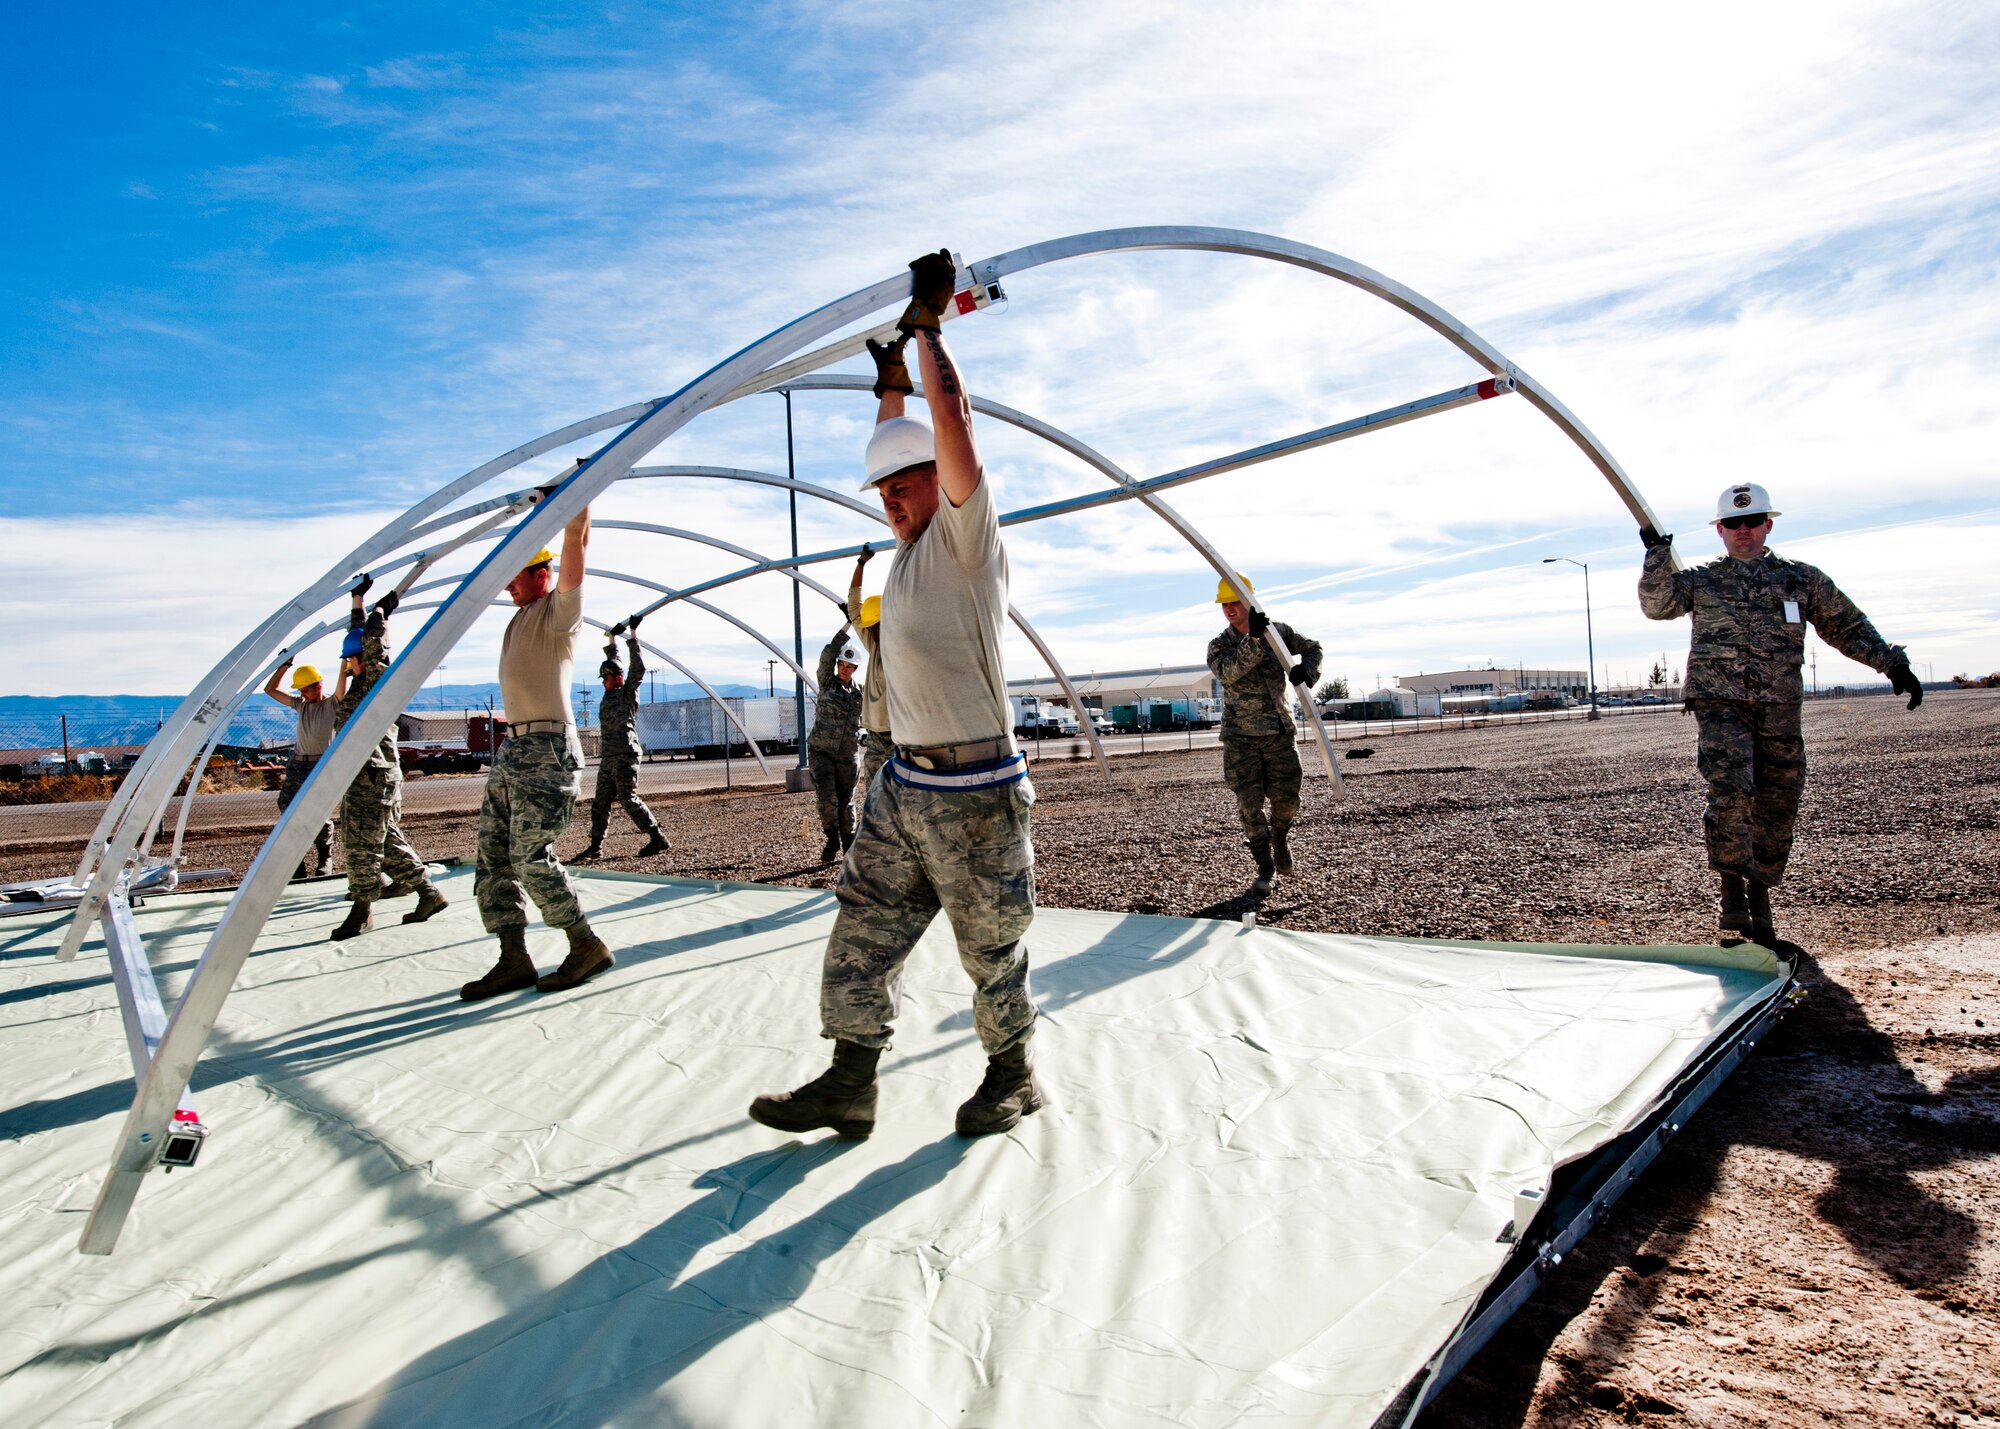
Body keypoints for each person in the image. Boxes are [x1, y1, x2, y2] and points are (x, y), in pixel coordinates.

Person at [750, 248, 1042, 1140]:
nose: (890, 500)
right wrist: (888, 383)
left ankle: (1013, 1074)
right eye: (880, 491)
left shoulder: (965, 544)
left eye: (903, 487)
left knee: (989, 950)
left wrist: (928, 336)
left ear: (940, 488)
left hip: (976, 792)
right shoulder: (907, 558)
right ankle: (849, 1079)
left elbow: (947, 427)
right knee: (862, 930)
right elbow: (905, 443)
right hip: (904, 786)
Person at [1640, 482, 1921, 947]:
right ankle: (1731, 888)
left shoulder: (1800, 579)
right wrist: (1655, 558)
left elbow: (1845, 625)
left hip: (1779, 706)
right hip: (1720, 702)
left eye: (1752, 522)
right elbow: (1658, 605)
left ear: (1768, 525)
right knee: (1731, 788)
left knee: (1778, 799)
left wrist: (1892, 662)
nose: (1743, 530)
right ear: (1720, 531)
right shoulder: (1702, 580)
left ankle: (1760, 890)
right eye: (1733, 523)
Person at [461, 505, 619, 1000]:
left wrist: (578, 506)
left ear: (541, 574)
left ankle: (585, 944)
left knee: (530, 854)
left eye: (515, 577)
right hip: (515, 749)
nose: (507, 586)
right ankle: (513, 957)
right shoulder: (521, 618)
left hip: (547, 748)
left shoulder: (558, 615)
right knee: (493, 856)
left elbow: (578, 550)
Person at [328, 578, 448, 940]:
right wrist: (358, 600)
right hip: (363, 776)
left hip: (372, 777)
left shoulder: (379, 681)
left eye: (351, 659)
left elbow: (373, 647)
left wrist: (381, 612)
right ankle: (429, 893)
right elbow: (359, 637)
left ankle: (362, 910)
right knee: (381, 840)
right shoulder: (360, 685)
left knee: (362, 843)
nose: (348, 664)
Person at [1205, 576, 1321, 894]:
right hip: (1240, 737)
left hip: (1278, 732)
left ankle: (1280, 836)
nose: (1229, 608)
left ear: (1249, 601)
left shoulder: (1278, 633)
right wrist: (1252, 641)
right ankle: (1264, 866)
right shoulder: (1220, 645)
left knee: (1287, 799)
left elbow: (1312, 648)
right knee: (1248, 804)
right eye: (1224, 604)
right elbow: (1227, 672)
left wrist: (1306, 672)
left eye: (1234, 602)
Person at [576, 616, 669, 862]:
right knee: (601, 802)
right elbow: (613, 661)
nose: (604, 682)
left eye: (606, 678)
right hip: (609, 756)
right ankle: (595, 847)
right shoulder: (608, 693)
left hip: (626, 754)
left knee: (628, 799)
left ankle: (657, 837)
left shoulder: (627, 693)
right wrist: (612, 638)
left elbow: (636, 669)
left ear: (616, 678)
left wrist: (634, 636)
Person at [263, 658, 336, 879]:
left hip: (319, 765)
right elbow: (270, 690)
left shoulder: (332, 704)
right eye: (300, 691)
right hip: (297, 764)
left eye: (305, 690)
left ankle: (325, 855)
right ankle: (296, 862)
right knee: (288, 810)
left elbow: (342, 688)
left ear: (318, 687)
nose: (302, 694)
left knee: (317, 812)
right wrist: (284, 666)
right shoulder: (300, 705)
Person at [806, 608, 865, 863]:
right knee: (828, 798)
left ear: (854, 668)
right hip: (821, 751)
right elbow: (827, 654)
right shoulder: (827, 683)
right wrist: (848, 625)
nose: (843, 669)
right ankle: (831, 838)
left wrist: (864, 733)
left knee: (846, 801)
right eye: (841, 664)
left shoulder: (860, 694)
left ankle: (849, 843)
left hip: (847, 754)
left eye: (849, 666)